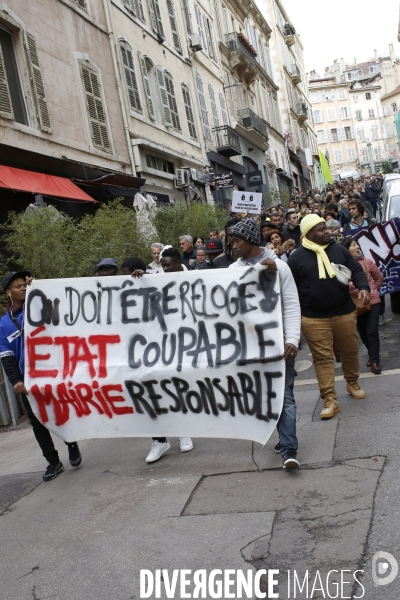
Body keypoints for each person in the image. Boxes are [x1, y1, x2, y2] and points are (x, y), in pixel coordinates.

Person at [229, 219, 301, 470]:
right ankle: (283, 437)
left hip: (278, 344)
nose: (233, 245)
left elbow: (291, 304)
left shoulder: (280, 267)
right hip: (250, 348)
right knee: (263, 395)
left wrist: (292, 339)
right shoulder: (232, 270)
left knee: (285, 395)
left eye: (237, 240)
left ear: (250, 241)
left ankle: (289, 449)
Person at [0, 272, 82, 481]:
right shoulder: (3, 324)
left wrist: (40, 287)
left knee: (59, 411)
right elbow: (7, 356)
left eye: (24, 285)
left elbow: (61, 308)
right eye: (17, 286)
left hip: (51, 372)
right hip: (27, 381)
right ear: (8, 292)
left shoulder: (38, 307)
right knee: (37, 422)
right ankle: (53, 461)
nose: (22, 288)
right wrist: (16, 380)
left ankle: (71, 442)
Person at [288, 214, 370, 420]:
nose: (326, 232)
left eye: (326, 228)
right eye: (321, 229)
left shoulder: (339, 250)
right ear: (308, 234)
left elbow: (357, 269)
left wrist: (364, 287)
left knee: (350, 350)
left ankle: (352, 382)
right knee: (322, 358)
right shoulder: (296, 258)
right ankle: (330, 399)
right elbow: (288, 287)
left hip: (344, 311)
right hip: (313, 317)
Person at [131, 248, 193, 462]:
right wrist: (141, 278)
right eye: (162, 265)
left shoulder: (195, 277)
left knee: (178, 389)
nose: (164, 268)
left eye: (167, 265)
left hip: (185, 345)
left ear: (177, 262)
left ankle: (184, 432)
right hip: (157, 347)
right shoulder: (155, 280)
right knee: (153, 393)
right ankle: (159, 440)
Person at [342, 237, 384, 374]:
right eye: (354, 245)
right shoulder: (342, 268)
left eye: (357, 245)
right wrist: (356, 288)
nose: (357, 247)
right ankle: (372, 354)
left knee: (372, 330)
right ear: (347, 250)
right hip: (356, 305)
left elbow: (379, 278)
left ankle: (375, 362)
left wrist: (373, 290)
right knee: (363, 332)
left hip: (372, 302)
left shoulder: (367, 262)